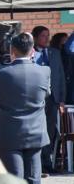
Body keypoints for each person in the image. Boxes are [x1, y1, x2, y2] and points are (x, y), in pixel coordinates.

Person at [0, 32, 50, 184]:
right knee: (34, 180)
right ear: (32, 51)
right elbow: (46, 94)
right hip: (35, 134)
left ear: (12, 50)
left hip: (8, 135)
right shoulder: (44, 71)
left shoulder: (1, 73)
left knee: (13, 181)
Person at [32, 26, 67, 173]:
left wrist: (61, 99)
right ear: (35, 38)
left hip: (53, 100)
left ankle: (47, 163)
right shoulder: (30, 53)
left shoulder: (54, 53)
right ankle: (36, 163)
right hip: (36, 99)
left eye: (48, 35)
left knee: (50, 132)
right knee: (36, 131)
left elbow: (60, 76)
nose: (47, 38)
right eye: (43, 36)